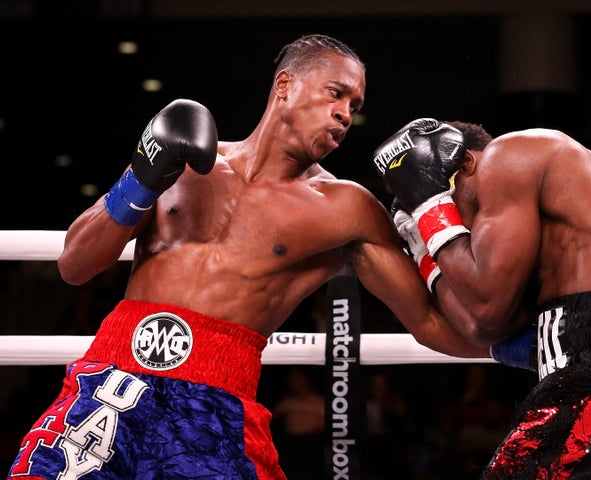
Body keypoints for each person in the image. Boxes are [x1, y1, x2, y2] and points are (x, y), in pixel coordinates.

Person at [6, 35, 492, 480]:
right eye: (335, 93)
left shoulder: (345, 208)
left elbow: (432, 323)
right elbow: (75, 265)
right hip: (108, 384)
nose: (347, 113)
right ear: (285, 86)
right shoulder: (184, 164)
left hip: (214, 408)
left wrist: (530, 345)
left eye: (355, 105)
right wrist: (142, 176)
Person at [372, 118, 591, 479]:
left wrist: (431, 210)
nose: (461, 230)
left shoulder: (511, 153)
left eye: (451, 206)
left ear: (465, 165)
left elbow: (487, 306)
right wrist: (427, 252)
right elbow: (478, 325)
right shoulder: (549, 247)